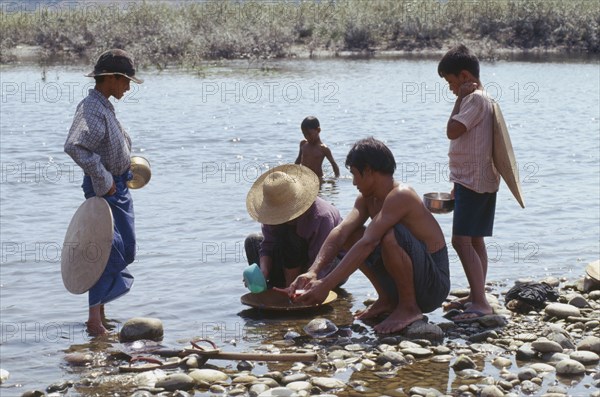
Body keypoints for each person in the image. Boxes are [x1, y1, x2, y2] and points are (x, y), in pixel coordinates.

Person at [286, 137, 450, 334]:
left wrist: (326, 285)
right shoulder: (366, 200)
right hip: (407, 280)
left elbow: (369, 242)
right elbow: (340, 233)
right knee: (350, 234)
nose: (354, 182)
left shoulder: (401, 195)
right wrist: (313, 272)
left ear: (369, 171)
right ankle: (387, 300)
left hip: (432, 286)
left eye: (355, 174)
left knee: (389, 235)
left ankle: (409, 308)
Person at [64, 49, 143, 336]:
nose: (128, 86)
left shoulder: (104, 106)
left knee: (126, 247)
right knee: (104, 252)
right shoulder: (91, 108)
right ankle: (94, 321)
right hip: (106, 190)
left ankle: (102, 313)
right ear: (110, 78)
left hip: (118, 187)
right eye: (126, 80)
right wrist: (103, 177)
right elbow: (75, 146)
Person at [437, 44, 500, 321]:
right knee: (475, 240)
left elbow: (452, 131)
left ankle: (481, 303)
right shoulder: (486, 98)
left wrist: (458, 100)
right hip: (478, 179)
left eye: (451, 82)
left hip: (474, 181)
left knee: (461, 241)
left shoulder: (473, 100)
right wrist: (456, 184)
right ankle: (477, 294)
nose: (451, 88)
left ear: (464, 77)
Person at [245, 164, 344, 288]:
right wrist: (263, 271)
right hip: (292, 261)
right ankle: (271, 286)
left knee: (291, 238)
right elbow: (267, 245)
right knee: (252, 241)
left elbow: (322, 259)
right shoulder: (272, 213)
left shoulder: (321, 217)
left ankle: (296, 287)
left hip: (328, 264)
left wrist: (307, 283)